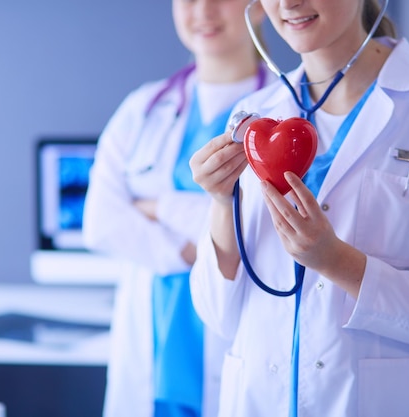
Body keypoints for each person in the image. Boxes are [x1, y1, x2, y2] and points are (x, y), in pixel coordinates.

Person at [188, 0, 409, 416]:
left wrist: (336, 261)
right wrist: (220, 201)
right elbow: (217, 315)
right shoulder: (254, 119)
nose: (288, 4)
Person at [82, 1, 275, 416]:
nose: (203, 10)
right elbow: (100, 222)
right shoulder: (143, 108)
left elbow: (267, 230)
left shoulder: (281, 115)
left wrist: (155, 206)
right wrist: (200, 244)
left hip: (238, 335)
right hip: (149, 335)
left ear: (259, 7)